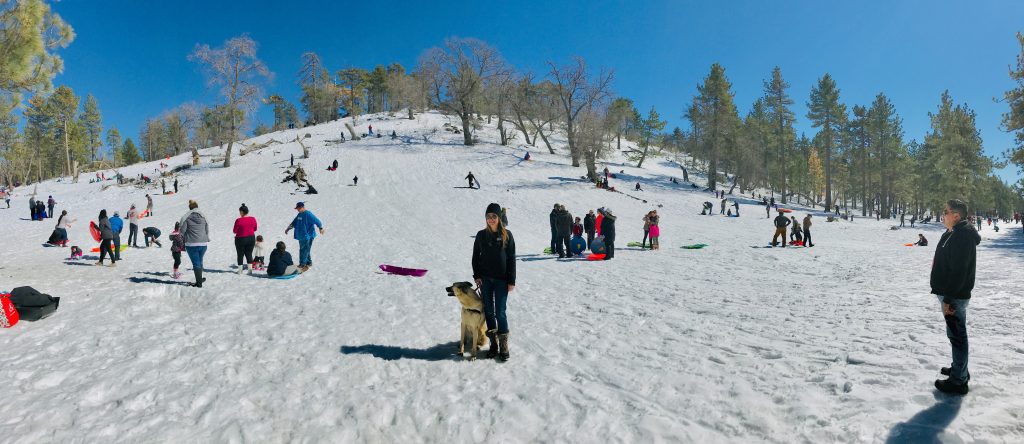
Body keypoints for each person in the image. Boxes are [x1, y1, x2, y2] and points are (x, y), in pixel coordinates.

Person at [930, 199, 980, 395]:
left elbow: (959, 270)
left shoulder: (962, 236)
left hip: (954, 295)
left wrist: (949, 299)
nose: (943, 214)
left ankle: (958, 381)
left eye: (946, 212)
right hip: (951, 293)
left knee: (957, 336)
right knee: (956, 334)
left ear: (956, 216)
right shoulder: (955, 232)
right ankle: (959, 369)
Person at [472, 203, 516, 362]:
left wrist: (511, 280)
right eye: (488, 216)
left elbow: (511, 259)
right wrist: (477, 275)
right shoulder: (481, 235)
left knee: (500, 312)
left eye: (494, 216)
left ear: (499, 218)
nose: (491, 219)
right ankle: (493, 344)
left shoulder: (507, 235)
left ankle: (504, 345)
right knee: (489, 312)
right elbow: (475, 256)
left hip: (502, 281)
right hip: (485, 280)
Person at [179, 200, 211, 288]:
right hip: (203, 244)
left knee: (196, 263)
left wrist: (185, 237)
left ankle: (199, 283)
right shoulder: (203, 216)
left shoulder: (187, 217)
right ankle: (199, 279)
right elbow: (207, 229)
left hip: (191, 244)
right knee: (199, 261)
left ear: (190, 208)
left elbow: (182, 231)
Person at [285, 201, 324, 271]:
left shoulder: (308, 214)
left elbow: (317, 221)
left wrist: (320, 228)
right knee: (306, 249)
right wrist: (288, 228)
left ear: (302, 207)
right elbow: (294, 222)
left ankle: (302, 264)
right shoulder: (299, 214)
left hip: (307, 236)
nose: (297, 209)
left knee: (304, 250)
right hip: (301, 235)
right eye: (297, 208)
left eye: (298, 208)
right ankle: (308, 262)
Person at [233, 203, 258, 273]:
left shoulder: (238, 220)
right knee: (249, 253)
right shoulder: (253, 219)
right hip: (251, 238)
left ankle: (240, 270)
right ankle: (250, 270)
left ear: (241, 212)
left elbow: (234, 231)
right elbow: (255, 229)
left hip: (240, 239)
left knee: (240, 254)